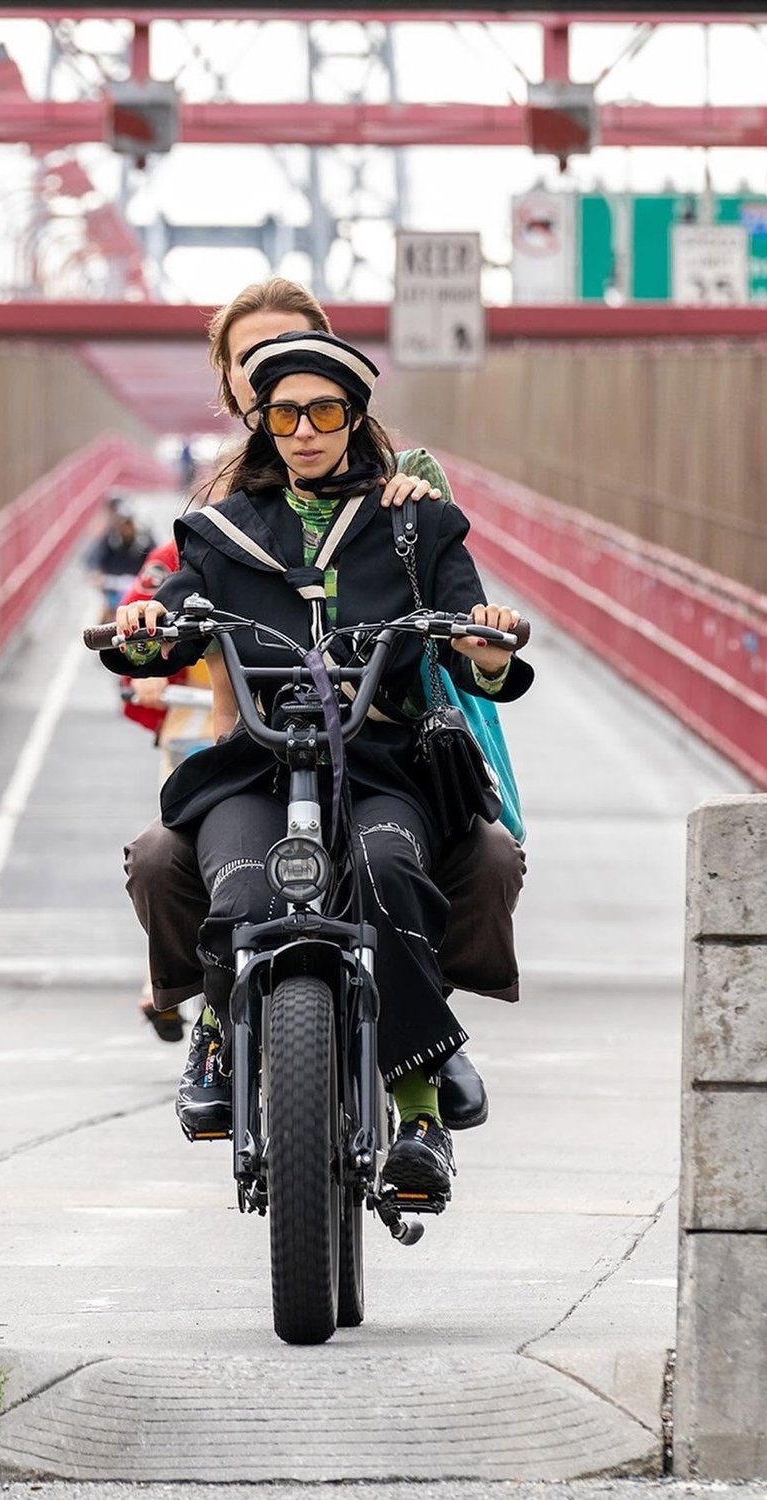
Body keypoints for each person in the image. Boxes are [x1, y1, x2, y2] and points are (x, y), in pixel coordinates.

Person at [103, 329, 534, 1198]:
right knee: (228, 882)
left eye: (325, 411)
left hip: (380, 765)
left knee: (387, 865)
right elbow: (175, 615)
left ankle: (418, 1111)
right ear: (263, 422)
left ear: (354, 418)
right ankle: (221, 1033)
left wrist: (487, 649)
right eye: (287, 413)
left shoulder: (415, 523)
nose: (305, 430)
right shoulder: (221, 530)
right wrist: (145, 628)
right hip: (255, 767)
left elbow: (469, 634)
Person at [85, 507, 157, 623]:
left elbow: (156, 559)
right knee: (105, 615)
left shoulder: (145, 541)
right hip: (113, 585)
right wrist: (96, 573)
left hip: (138, 585)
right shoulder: (110, 539)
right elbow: (94, 558)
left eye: (128, 524)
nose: (126, 529)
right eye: (122, 525)